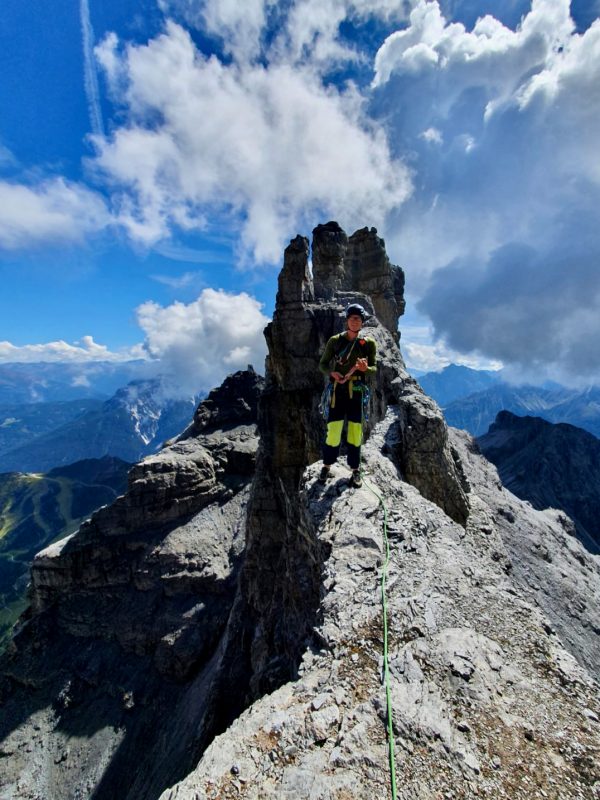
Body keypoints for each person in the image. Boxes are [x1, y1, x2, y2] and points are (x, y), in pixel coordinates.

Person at [318, 303, 377, 488]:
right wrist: (332, 373)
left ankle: (355, 470)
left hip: (356, 391)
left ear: (362, 322)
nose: (355, 321)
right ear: (347, 321)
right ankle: (327, 466)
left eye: (358, 318)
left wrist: (364, 368)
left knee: (354, 432)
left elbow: (373, 369)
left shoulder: (368, 344)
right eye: (352, 318)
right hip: (338, 391)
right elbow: (323, 364)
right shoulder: (335, 341)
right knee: (333, 431)